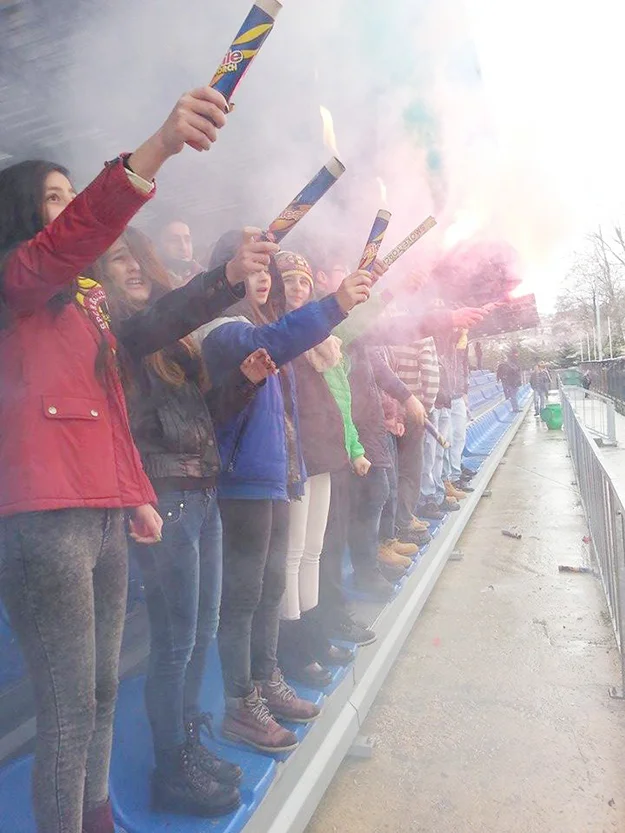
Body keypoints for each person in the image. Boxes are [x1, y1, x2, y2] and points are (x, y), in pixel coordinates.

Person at [0, 84, 229, 833]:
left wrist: (132, 493)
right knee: (68, 703)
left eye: (74, 194)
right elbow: (71, 239)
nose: (69, 209)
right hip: (42, 518)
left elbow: (111, 410)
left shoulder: (89, 299)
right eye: (55, 196)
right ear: (21, 211)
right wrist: (155, 148)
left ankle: (96, 817)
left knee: (99, 688)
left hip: (101, 509)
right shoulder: (16, 278)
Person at [94, 226, 277, 817]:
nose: (136, 267)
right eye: (120, 259)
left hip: (202, 493)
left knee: (202, 631)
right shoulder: (117, 332)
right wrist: (223, 282)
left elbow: (206, 417)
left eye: (140, 256)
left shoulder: (176, 345)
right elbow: (162, 320)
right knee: (174, 644)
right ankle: (171, 766)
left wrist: (243, 383)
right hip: (165, 498)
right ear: (102, 271)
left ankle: (190, 742)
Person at [201, 232, 372, 753]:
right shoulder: (223, 329)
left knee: (271, 588)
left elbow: (285, 414)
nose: (262, 277)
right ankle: (240, 704)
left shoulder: (256, 327)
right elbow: (278, 343)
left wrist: (293, 474)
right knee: (245, 597)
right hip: (242, 483)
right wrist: (338, 302)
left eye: (265, 270)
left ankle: (267, 679)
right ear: (225, 273)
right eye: (251, 267)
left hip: (273, 478)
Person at [273, 251, 357, 687]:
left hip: (323, 452)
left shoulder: (323, 341)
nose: (298, 289)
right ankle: (295, 651)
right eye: (289, 281)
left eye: (304, 282)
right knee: (293, 555)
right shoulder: (283, 337)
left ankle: (314, 636)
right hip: (296, 455)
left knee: (313, 552)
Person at [156, 218, 203, 286]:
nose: (184, 247)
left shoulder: (207, 277)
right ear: (159, 246)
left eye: (187, 240)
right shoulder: (152, 284)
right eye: (174, 240)